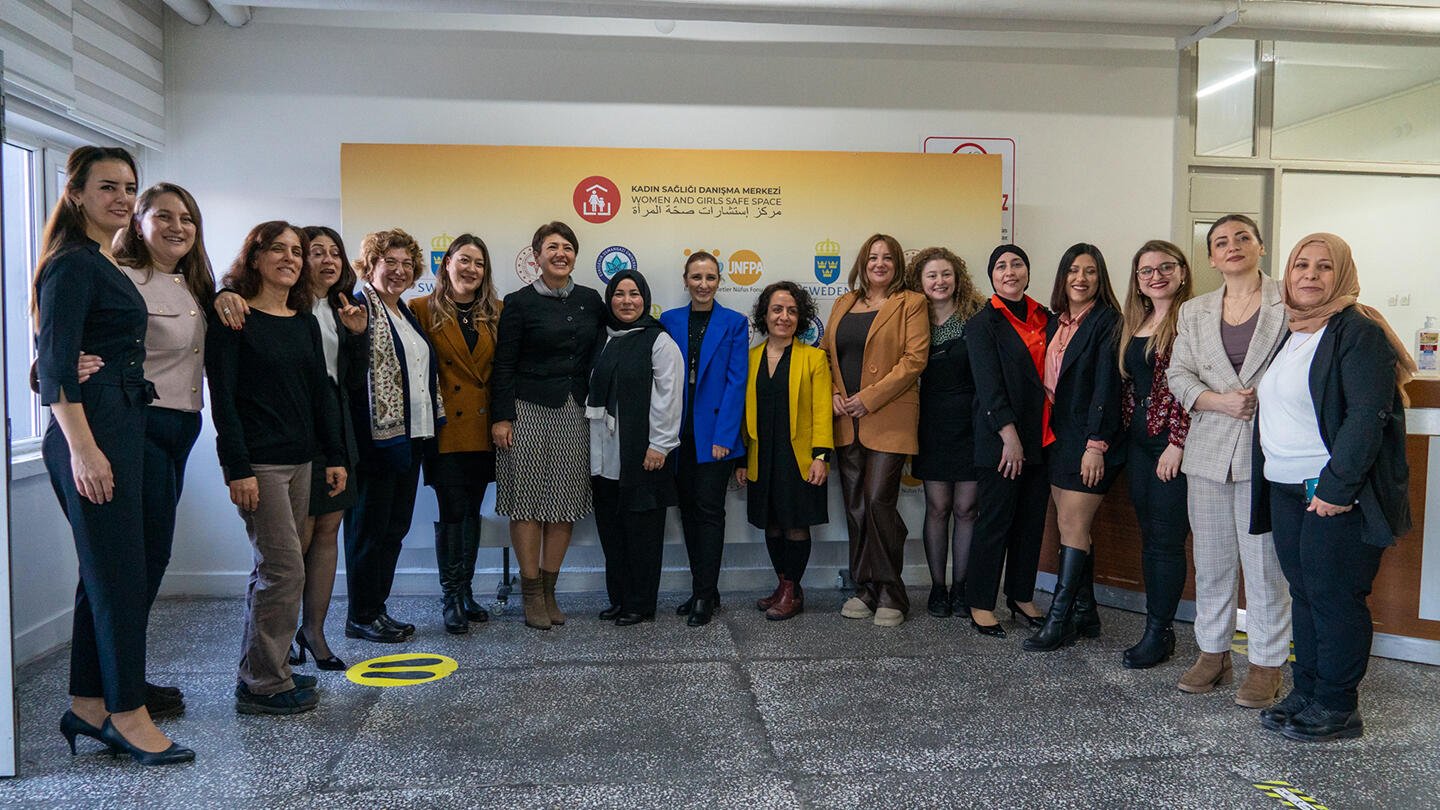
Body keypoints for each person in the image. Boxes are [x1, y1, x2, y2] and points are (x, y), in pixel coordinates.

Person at [37, 147, 193, 765]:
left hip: (120, 427)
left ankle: (87, 705)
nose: (123, 198)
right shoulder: (72, 265)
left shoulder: (102, 261)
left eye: (130, 187)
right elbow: (53, 363)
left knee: (102, 577)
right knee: (120, 580)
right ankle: (129, 714)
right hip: (92, 435)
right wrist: (84, 452)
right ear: (76, 194)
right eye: (108, 187)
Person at [1251, 233, 1415, 742]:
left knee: (1336, 596)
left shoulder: (1357, 331)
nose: (1309, 275)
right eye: (1301, 265)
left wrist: (1337, 486)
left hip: (1331, 493)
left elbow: (1369, 416)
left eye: (1324, 267)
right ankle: (1308, 691)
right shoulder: (1293, 329)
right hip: (1284, 488)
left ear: (1341, 275)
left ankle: (1339, 707)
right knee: (1304, 593)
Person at [206, 221, 346, 715]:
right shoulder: (234, 317)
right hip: (259, 465)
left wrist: (332, 456)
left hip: (303, 460)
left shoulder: (303, 319)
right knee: (285, 569)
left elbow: (317, 396)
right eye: (278, 250)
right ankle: (266, 684)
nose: (290, 258)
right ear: (255, 257)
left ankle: (261, 673)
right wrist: (236, 467)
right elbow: (222, 400)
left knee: (273, 569)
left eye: (297, 251)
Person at [1168, 215, 1292, 702]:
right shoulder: (1194, 311)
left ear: (1260, 246)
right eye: (1221, 242)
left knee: (1265, 565)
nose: (1233, 246)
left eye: (1243, 237)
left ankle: (1265, 662)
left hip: (1270, 448)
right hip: (1209, 448)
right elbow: (1178, 374)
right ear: (1212, 257)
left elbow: (1307, 362)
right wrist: (1217, 401)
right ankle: (1212, 652)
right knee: (1213, 559)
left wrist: (1258, 396)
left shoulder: (1290, 299)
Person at [104, 183, 214, 720]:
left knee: (154, 555)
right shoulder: (122, 280)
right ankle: (119, 686)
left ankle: (126, 676)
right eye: (164, 216)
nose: (178, 227)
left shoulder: (192, 286)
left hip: (180, 429)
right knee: (136, 561)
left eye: (187, 218)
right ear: (139, 223)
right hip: (139, 426)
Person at [492, 222, 605, 629]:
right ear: (536, 256)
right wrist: (501, 417)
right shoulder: (518, 303)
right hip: (525, 410)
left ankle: (551, 592)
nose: (561, 253)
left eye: (568, 247)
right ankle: (530, 592)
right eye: (552, 247)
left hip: (574, 410)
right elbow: (503, 363)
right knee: (527, 503)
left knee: (564, 504)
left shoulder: (592, 300)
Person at [822, 234, 929, 628]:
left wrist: (869, 397)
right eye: (872, 257)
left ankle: (890, 591)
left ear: (897, 264)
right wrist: (834, 392)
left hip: (888, 417)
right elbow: (826, 354)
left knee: (879, 500)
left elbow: (914, 360)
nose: (879, 263)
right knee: (856, 506)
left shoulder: (911, 303)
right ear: (862, 263)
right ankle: (864, 587)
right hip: (846, 420)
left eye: (887, 257)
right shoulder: (843, 303)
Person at [345, 228, 445, 643]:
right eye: (391, 262)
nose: (400, 271)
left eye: (407, 264)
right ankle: (361, 614)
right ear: (371, 264)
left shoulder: (403, 312)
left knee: (393, 529)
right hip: (376, 442)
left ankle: (377, 609)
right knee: (369, 530)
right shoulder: (356, 306)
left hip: (411, 438)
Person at [1025, 243, 1124, 652]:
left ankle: (1060, 618)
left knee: (1075, 525)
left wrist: (1095, 445)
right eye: (1073, 271)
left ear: (1100, 279)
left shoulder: (1109, 321)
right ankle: (1086, 613)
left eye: (1089, 272)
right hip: (1056, 437)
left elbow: (1108, 385)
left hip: (1089, 438)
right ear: (1062, 276)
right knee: (1070, 526)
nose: (1080, 279)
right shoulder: (1054, 322)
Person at [411, 234, 502, 633]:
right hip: (444, 429)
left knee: (473, 509)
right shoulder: (420, 309)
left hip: (483, 430)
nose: (471, 269)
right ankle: (450, 597)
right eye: (464, 260)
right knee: (452, 510)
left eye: (479, 263)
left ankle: (466, 593)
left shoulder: (496, 312)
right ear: (445, 263)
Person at [964, 244, 1052, 637]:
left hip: (1044, 437)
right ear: (992, 277)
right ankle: (981, 602)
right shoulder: (982, 323)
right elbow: (988, 386)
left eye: (1017, 263)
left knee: (1031, 523)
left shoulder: (1046, 318)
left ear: (1028, 272)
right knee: (995, 523)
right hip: (1002, 439)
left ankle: (1021, 596)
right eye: (1001, 266)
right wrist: (1009, 436)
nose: (1010, 271)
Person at [589, 270, 684, 625]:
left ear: (645, 298)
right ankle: (619, 598)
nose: (626, 301)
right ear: (609, 299)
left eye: (634, 294)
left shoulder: (658, 341)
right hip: (604, 455)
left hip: (644, 455)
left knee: (642, 534)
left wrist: (659, 445)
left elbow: (669, 398)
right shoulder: (603, 338)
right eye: (619, 294)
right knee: (612, 532)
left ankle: (640, 604)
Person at [660, 252, 749, 627]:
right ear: (685, 279)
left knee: (710, 515)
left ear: (719, 281)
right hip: (678, 434)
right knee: (687, 513)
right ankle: (705, 589)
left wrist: (725, 437)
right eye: (696, 277)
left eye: (710, 277)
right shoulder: (668, 320)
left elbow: (736, 382)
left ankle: (702, 595)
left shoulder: (733, 322)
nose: (703, 284)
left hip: (715, 436)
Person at [1116, 240, 1193, 669]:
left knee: (1166, 540)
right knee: (1150, 536)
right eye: (1146, 271)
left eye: (1165, 267)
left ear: (1182, 272)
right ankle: (1155, 626)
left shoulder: (1193, 319)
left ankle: (1159, 633)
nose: (1156, 276)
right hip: (1139, 443)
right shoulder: (1138, 320)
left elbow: (1196, 384)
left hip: (1171, 445)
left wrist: (1177, 443)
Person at [738, 281, 833, 621]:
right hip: (761, 457)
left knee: (795, 525)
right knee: (772, 525)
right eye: (777, 309)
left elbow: (823, 410)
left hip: (800, 459)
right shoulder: (750, 359)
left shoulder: (814, 358)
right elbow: (741, 411)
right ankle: (783, 586)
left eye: (792, 311)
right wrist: (740, 458)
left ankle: (791, 590)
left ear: (801, 317)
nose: (784, 316)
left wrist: (822, 456)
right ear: (765, 315)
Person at [906, 247, 985, 618]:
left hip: (973, 423)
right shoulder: (911, 317)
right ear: (919, 282)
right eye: (932, 276)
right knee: (938, 507)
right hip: (931, 424)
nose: (940, 281)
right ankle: (938, 588)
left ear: (958, 278)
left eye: (946, 274)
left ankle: (962, 587)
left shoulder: (978, 316)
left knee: (967, 509)